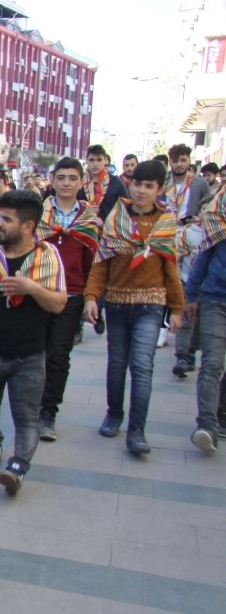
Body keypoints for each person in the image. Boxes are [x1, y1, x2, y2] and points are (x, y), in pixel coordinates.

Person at [0, 189, 67, 494]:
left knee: (26, 415)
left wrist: (30, 287)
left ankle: (18, 466)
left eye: (7, 219)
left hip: (28, 356)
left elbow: (59, 303)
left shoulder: (48, 257)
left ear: (28, 226)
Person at [83, 160, 185, 455]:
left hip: (151, 305)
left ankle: (137, 431)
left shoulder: (166, 221)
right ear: (130, 185)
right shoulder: (116, 218)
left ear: (159, 189)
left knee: (142, 366)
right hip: (116, 303)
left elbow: (171, 269)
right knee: (117, 364)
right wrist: (92, 297)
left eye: (149, 186)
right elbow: (101, 263)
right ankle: (114, 414)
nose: (141, 190)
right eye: (137, 184)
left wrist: (176, 309)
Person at [34, 157, 102, 441]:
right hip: (38, 292)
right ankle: (30, 407)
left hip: (72, 294)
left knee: (58, 355)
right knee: (33, 354)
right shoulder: (38, 213)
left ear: (81, 181)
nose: (66, 183)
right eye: (61, 177)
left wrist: (91, 297)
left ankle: (48, 413)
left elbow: (94, 262)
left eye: (72, 178)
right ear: (52, 179)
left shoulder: (89, 218)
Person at [166, 144, 211, 379]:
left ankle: (185, 353)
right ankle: (181, 350)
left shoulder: (199, 184)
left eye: (183, 160)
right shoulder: (164, 183)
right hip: (168, 238)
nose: (179, 165)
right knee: (174, 293)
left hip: (192, 238)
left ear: (188, 161)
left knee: (188, 296)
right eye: (175, 161)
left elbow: (208, 209)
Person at [188, 186, 226, 452]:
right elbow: (204, 256)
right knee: (212, 362)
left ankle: (221, 411)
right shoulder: (218, 217)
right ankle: (207, 426)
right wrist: (191, 295)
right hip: (215, 299)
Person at [79, 145, 128, 221]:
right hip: (80, 229)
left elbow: (125, 211)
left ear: (105, 160)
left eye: (99, 160)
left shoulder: (116, 183)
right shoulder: (78, 181)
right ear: (86, 160)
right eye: (92, 160)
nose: (95, 164)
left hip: (108, 231)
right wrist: (85, 209)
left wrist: (105, 224)